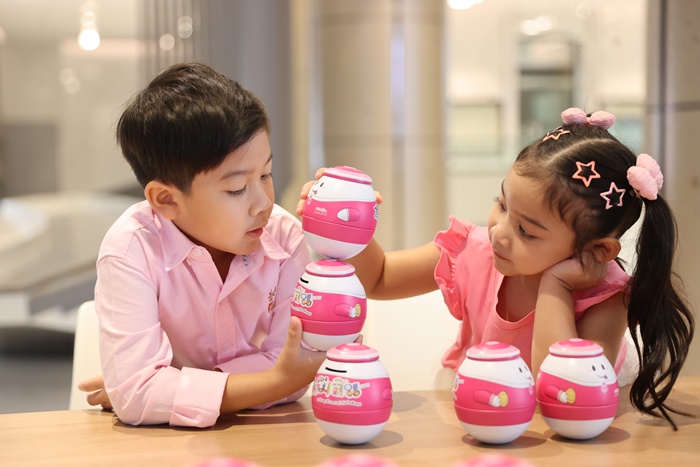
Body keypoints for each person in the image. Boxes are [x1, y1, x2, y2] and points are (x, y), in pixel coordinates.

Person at [299, 107, 695, 429]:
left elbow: (561, 396)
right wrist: (346, 230)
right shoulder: (474, 250)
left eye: (526, 231)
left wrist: (555, 287)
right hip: (477, 416)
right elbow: (380, 277)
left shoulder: (605, 297)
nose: (499, 233)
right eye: (501, 204)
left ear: (597, 250)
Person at [79, 61, 327, 427]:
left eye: (266, 174)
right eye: (237, 189)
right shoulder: (131, 249)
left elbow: (296, 365)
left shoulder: (284, 236)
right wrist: (274, 381)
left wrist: (174, 386)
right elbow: (138, 396)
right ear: (167, 200)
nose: (263, 203)